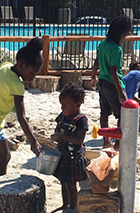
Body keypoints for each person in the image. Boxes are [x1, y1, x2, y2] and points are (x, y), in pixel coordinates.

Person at [0, 37, 43, 183]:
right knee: (5, 157)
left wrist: (0, 91)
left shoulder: (5, 67)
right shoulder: (17, 86)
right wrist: (33, 141)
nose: (33, 77)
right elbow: (21, 117)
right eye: (32, 73)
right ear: (22, 65)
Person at [90, 14, 132, 150]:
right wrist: (120, 92)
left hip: (101, 81)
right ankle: (118, 143)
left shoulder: (103, 43)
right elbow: (114, 72)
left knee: (104, 113)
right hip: (112, 84)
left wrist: (92, 77)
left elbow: (96, 62)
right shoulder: (116, 49)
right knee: (122, 114)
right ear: (122, 33)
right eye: (126, 34)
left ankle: (106, 141)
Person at [50, 82, 88, 213]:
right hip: (63, 155)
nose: (62, 108)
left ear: (77, 105)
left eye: (65, 106)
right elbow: (58, 128)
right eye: (61, 105)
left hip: (74, 158)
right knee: (63, 181)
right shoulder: (63, 116)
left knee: (71, 184)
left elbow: (79, 140)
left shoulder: (81, 120)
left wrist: (61, 137)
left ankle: (73, 208)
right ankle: (65, 204)